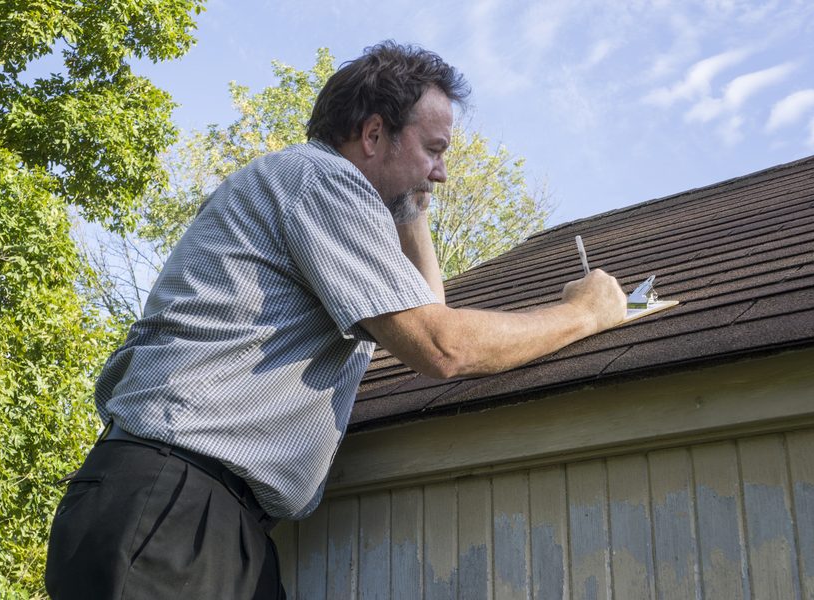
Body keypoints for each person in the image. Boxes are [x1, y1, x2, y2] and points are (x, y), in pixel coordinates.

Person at [45, 41, 626, 599]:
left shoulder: (309, 189)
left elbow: (429, 312)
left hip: (204, 516)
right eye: (434, 148)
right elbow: (442, 347)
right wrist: (585, 314)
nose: (442, 173)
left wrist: (412, 210)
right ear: (374, 133)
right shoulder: (321, 180)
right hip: (174, 507)